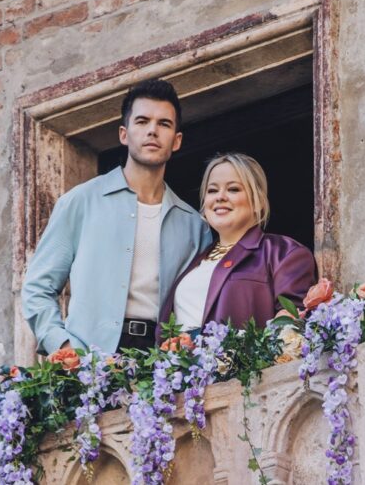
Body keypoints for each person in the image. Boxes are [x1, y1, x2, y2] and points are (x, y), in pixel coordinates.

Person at [22, 79, 212, 354]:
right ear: (124, 134)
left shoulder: (195, 226)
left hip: (163, 367)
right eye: (142, 121)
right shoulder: (81, 202)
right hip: (90, 361)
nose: (152, 131)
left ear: (177, 140)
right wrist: (62, 345)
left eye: (164, 124)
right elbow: (38, 287)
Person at [158, 153, 317, 335]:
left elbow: (292, 324)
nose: (220, 197)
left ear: (258, 202)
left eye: (233, 189)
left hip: (236, 362)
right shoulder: (193, 260)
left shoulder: (284, 253)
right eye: (212, 190)